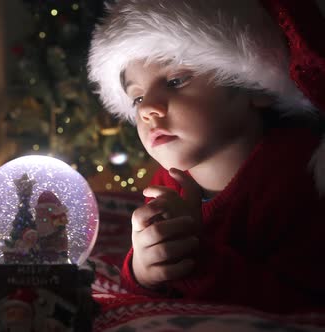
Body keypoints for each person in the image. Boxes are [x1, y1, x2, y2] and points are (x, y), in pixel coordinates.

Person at [88, 0, 325, 313]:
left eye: (175, 81)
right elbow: (153, 290)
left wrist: (194, 258)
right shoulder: (167, 185)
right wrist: (145, 271)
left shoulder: (298, 175)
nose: (147, 110)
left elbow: (300, 301)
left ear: (256, 88)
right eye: (138, 98)